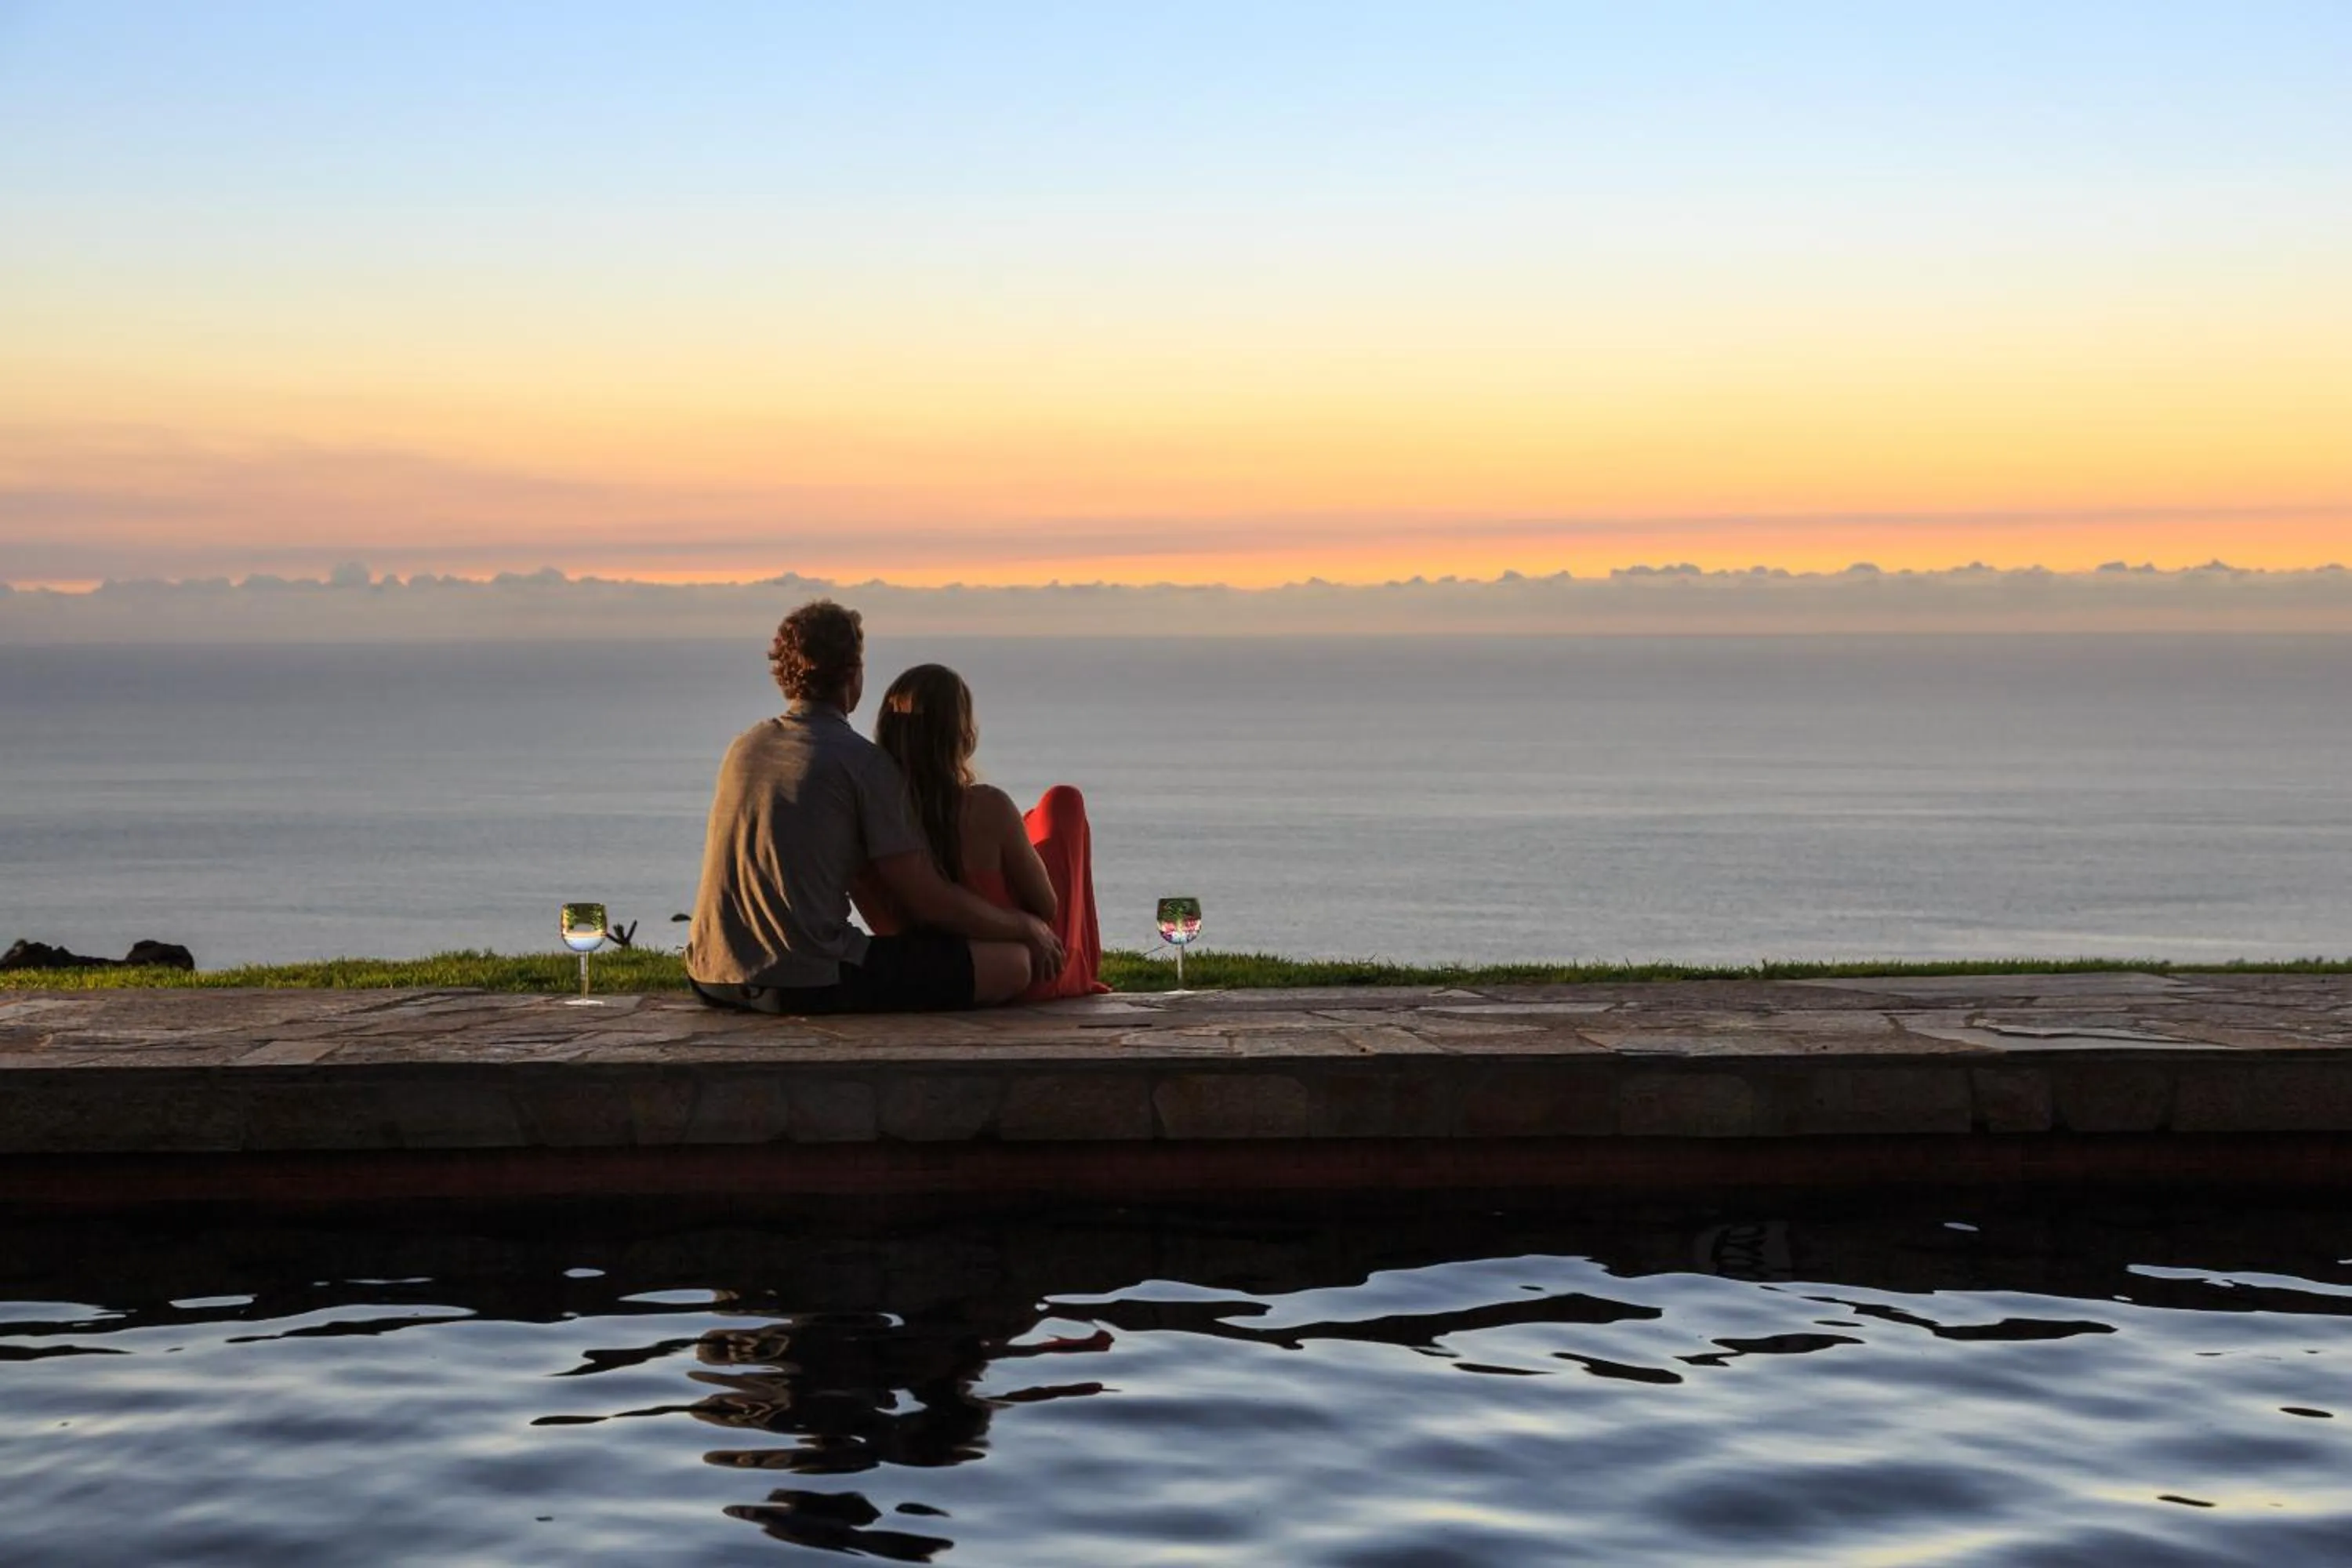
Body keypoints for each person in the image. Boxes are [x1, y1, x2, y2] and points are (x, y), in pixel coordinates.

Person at [685, 601, 1064, 1014]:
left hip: (710, 974)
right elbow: (928, 900)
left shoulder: (745, 747)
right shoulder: (863, 764)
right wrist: (1024, 927)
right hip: (802, 980)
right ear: (851, 673)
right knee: (1013, 964)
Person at [855, 663, 1109, 1002]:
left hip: (943, 973)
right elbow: (1046, 905)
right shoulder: (988, 807)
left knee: (1032, 822)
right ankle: (1081, 966)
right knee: (1063, 803)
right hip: (1038, 967)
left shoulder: (873, 821)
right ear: (962, 735)